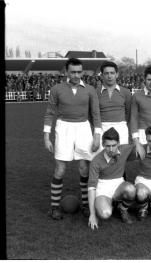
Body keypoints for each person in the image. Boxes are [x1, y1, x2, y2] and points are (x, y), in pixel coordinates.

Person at [43, 58, 101, 220]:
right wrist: (46, 137)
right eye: (73, 72)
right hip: (64, 128)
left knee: (84, 168)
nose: (76, 75)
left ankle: (85, 205)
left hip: (83, 128)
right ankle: (54, 207)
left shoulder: (90, 90)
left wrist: (97, 136)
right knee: (60, 169)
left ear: (82, 72)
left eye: (79, 72)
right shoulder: (56, 89)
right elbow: (49, 112)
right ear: (66, 72)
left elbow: (96, 114)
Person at [88, 128, 142, 229]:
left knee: (131, 189)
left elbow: (141, 151)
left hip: (118, 184)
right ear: (103, 145)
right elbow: (91, 188)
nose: (111, 149)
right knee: (105, 213)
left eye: (114, 145)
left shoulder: (125, 149)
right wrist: (92, 214)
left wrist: (137, 143)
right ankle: (109, 204)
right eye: (108, 146)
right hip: (103, 188)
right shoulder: (95, 162)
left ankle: (122, 208)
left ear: (119, 143)